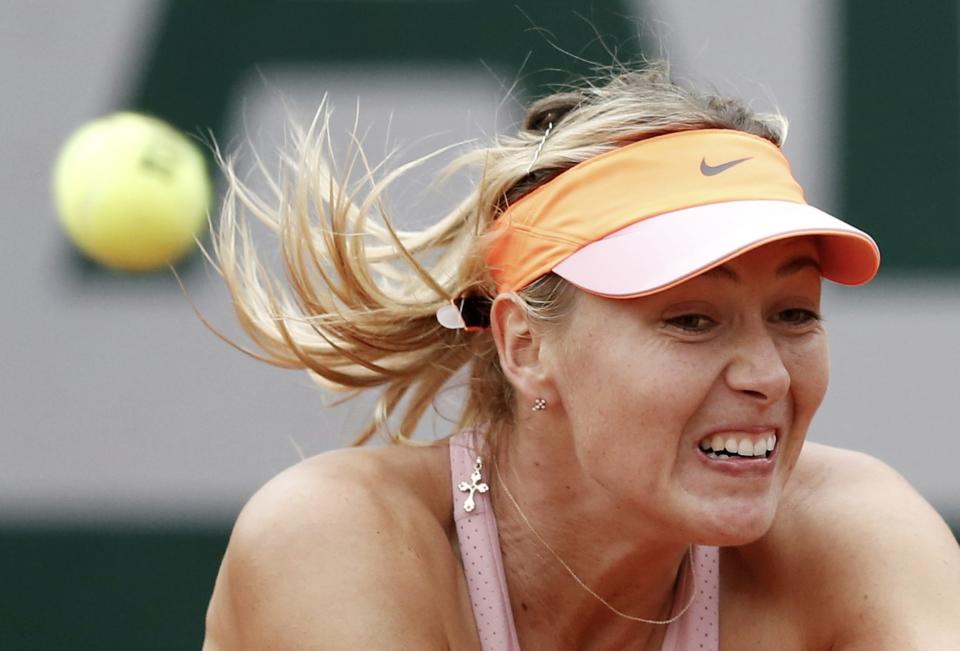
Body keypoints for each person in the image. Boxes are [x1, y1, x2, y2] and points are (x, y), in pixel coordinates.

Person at [200, 63, 960, 650]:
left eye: (794, 314)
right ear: (525, 347)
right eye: (691, 319)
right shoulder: (334, 537)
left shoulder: (857, 530)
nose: (766, 375)